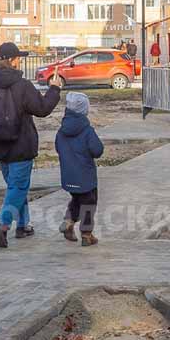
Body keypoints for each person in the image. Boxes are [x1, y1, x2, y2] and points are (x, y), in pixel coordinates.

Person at [0, 42, 62, 248]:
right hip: (21, 145)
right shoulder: (22, 86)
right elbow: (42, 109)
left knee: (16, 187)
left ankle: (23, 225)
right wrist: (55, 89)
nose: (19, 61)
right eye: (18, 58)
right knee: (18, 187)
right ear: (13, 60)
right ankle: (4, 226)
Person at [55, 92, 104, 247]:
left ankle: (69, 221)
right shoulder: (87, 130)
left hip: (69, 175)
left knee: (76, 199)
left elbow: (58, 148)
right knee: (89, 204)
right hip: (86, 177)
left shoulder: (61, 131)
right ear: (84, 110)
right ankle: (86, 234)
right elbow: (97, 151)